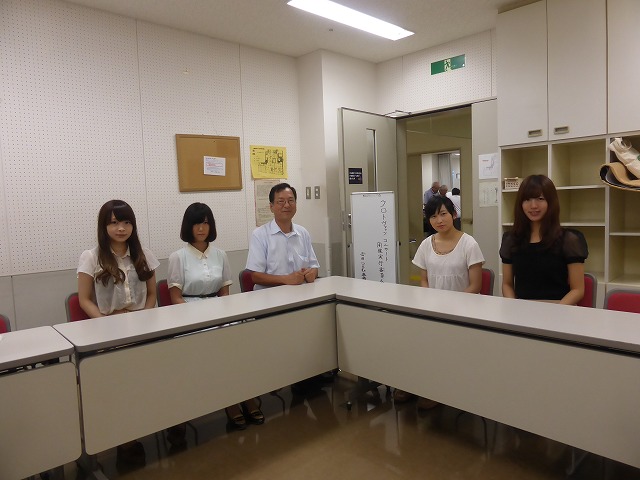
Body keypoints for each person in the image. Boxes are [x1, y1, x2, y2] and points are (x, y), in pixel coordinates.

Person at [167, 203, 264, 432]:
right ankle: (231, 402)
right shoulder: (178, 257)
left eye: (206, 223)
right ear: (188, 226)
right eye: (196, 223)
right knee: (219, 351)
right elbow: (175, 298)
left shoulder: (220, 255)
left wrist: (222, 316)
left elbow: (224, 294)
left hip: (219, 311)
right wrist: (199, 317)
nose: (201, 228)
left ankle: (247, 395)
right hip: (190, 314)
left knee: (240, 345)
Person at [77, 200, 159, 466]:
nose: (121, 228)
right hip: (108, 331)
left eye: (126, 222)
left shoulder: (143, 254)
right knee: (118, 388)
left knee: (145, 383)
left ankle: (145, 427)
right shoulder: (91, 257)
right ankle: (125, 441)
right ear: (104, 226)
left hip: (141, 328)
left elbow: (152, 294)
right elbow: (84, 300)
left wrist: (144, 318)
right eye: (113, 223)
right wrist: (104, 323)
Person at [395, 195, 485, 409]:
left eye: (443, 214)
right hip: (433, 309)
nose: (439, 220)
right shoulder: (427, 244)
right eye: (433, 216)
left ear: (454, 214)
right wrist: (429, 302)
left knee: (442, 346)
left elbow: (475, 286)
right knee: (412, 339)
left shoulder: (469, 244)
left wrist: (451, 306)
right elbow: (424, 279)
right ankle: (413, 384)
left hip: (462, 311)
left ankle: (437, 390)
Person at [500, 174, 588, 305]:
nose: (533, 205)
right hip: (522, 309)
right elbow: (507, 284)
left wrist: (554, 312)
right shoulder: (511, 240)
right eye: (527, 199)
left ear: (551, 202)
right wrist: (514, 307)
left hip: (559, 308)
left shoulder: (569, 239)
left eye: (540, 199)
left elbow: (577, 290)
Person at [246, 183, 319, 289]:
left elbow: (314, 266)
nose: (287, 205)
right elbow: (255, 276)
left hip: (301, 293)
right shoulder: (259, 235)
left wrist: (312, 273)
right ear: (271, 207)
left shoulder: (303, 233)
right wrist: (286, 279)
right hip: (270, 295)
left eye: (291, 200)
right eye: (281, 201)